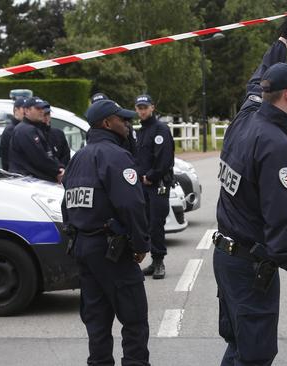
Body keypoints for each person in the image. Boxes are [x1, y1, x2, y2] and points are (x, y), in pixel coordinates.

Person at [213, 8, 287, 365]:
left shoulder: (246, 115)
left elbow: (261, 76)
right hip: (249, 267)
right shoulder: (276, 147)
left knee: (239, 347)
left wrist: (286, 37)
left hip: (225, 260)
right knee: (254, 356)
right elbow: (279, 221)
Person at [61, 99, 151, 366]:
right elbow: (131, 204)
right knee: (134, 318)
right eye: (121, 119)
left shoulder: (78, 158)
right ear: (106, 123)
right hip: (112, 250)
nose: (126, 123)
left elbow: (66, 204)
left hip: (84, 248)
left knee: (97, 320)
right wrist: (140, 244)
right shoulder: (115, 156)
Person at [134, 94, 174, 280]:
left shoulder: (160, 130)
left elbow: (164, 159)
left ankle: (159, 261)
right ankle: (153, 259)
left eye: (145, 107)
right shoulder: (140, 132)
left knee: (157, 223)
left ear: (152, 108)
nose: (142, 111)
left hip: (157, 184)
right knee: (147, 223)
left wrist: (151, 176)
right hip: (143, 185)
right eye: (139, 108)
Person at [8, 96, 65, 183]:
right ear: (26, 111)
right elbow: (39, 158)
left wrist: (59, 167)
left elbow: (48, 154)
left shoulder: (34, 128)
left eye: (42, 108)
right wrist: (58, 170)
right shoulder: (25, 130)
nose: (42, 111)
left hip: (33, 181)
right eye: (38, 108)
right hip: (27, 182)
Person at [0, 96, 27, 171]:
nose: (26, 112)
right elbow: (7, 160)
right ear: (16, 110)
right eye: (24, 109)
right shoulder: (10, 130)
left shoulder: (27, 128)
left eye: (28, 109)